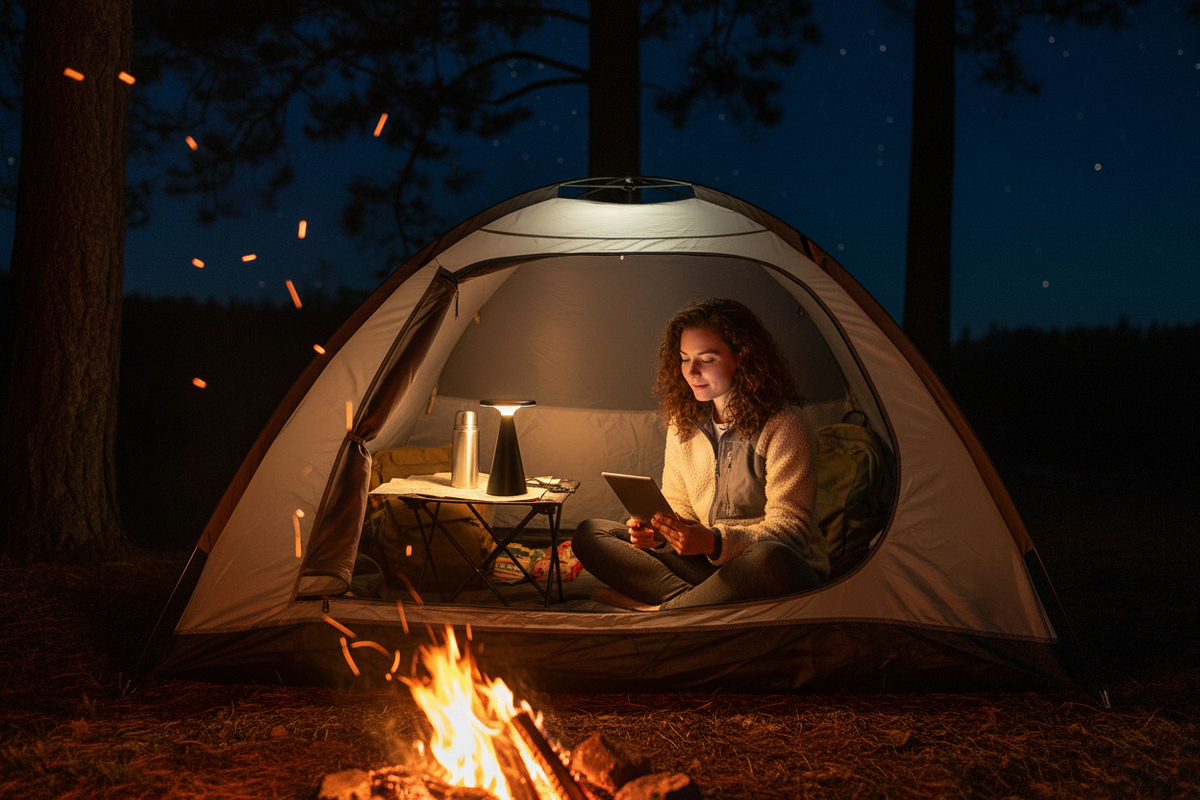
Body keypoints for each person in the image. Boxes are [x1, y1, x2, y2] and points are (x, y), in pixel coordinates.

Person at [573, 298, 829, 611]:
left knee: (770, 559)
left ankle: (660, 613)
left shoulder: (786, 425)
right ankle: (697, 606)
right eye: (684, 359)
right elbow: (680, 506)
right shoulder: (685, 423)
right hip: (710, 567)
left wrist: (713, 541)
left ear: (741, 355)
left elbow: (792, 530)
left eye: (706, 359)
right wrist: (660, 532)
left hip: (775, 569)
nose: (691, 371)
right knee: (592, 534)